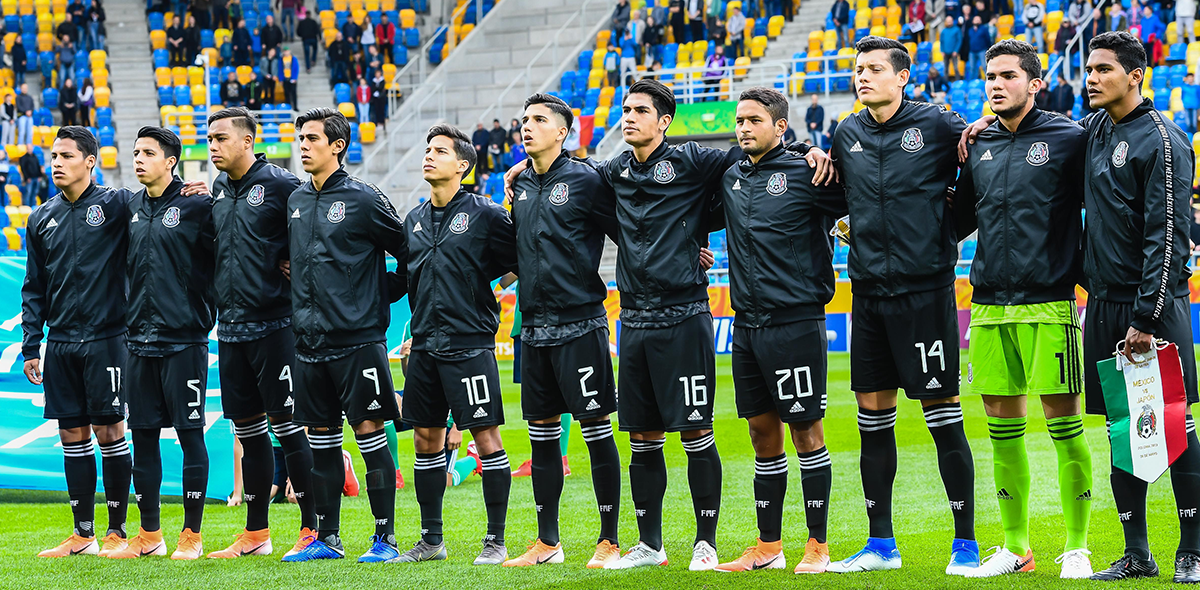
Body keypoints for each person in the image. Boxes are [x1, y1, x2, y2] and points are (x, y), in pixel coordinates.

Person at [825, 36, 979, 575]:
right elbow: (835, 194)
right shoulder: (846, 132)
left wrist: (944, 234)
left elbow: (982, 175)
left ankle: (965, 545)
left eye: (873, 68)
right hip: (867, 294)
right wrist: (810, 155)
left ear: (902, 77)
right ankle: (880, 544)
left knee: (943, 420)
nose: (862, 77)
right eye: (858, 69)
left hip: (925, 295)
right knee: (872, 422)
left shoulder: (937, 124)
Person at [952, 39, 1094, 580]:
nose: (996, 84)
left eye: (1007, 75)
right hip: (989, 306)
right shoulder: (980, 143)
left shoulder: (1069, 137)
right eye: (990, 76)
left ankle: (1077, 547)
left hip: (1050, 304)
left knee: (1066, 429)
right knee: (1002, 434)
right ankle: (1016, 548)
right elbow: (956, 221)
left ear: (1035, 83)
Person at [1075, 31, 1199, 584]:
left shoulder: (1164, 141)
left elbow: (1168, 237)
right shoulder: (1097, 129)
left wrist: (1146, 318)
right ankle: (1136, 554)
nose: (1092, 78)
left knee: (1174, 427)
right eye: (1088, 69)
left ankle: (1193, 551)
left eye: (1103, 69)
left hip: (1150, 309)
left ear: (1135, 75)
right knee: (1124, 431)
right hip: (1103, 303)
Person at [710, 87, 846, 574]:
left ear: (780, 126)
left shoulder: (809, 172)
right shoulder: (731, 174)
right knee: (761, 434)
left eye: (754, 120)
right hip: (746, 325)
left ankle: (818, 545)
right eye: (739, 121)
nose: (743, 128)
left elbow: (859, 202)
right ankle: (768, 546)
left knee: (806, 431)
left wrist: (815, 152)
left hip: (795, 322)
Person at [499, 94, 624, 569]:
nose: (527, 126)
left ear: (562, 132)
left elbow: (629, 231)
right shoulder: (518, 184)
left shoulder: (586, 179)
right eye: (524, 120)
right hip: (532, 328)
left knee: (596, 431)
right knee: (542, 437)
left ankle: (609, 540)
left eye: (538, 120)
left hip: (580, 324)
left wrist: (684, 250)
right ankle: (547, 542)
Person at [279, 108, 407, 563]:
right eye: (301, 138)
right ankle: (327, 538)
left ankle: (385, 539)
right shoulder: (295, 200)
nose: (303, 145)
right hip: (309, 344)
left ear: (338, 146)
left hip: (358, 342)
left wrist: (378, 294)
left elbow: (409, 251)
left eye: (312, 138)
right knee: (322, 441)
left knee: (370, 434)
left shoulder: (363, 198)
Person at [393, 124, 517, 565]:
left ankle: (496, 541)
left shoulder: (486, 214)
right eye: (427, 149)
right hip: (424, 345)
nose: (429, 155)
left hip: (469, 344)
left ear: (463, 165)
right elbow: (403, 278)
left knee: (486, 437)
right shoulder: (412, 220)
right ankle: (431, 541)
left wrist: (485, 291)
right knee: (425, 438)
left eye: (440, 151)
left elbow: (519, 261)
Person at [201, 107, 319, 560]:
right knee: (248, 433)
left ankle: (312, 530)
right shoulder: (216, 188)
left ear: (248, 141)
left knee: (288, 429)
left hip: (276, 328)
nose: (213, 146)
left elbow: (317, 225)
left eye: (221, 138)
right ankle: (256, 533)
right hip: (231, 330)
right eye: (210, 139)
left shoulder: (282, 185)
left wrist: (298, 264)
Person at [23, 127, 133, 559]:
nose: (56, 163)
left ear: (90, 161)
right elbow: (34, 287)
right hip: (61, 342)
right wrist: (32, 345)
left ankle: (117, 532)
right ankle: (83, 533)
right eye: (53, 156)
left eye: (66, 156)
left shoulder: (116, 204)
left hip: (108, 338)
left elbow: (158, 206)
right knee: (71, 434)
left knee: (110, 431)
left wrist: (185, 189)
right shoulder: (41, 217)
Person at [107, 126, 216, 560]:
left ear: (171, 161)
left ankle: (192, 535)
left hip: (184, 340)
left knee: (190, 436)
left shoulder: (197, 205)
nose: (138, 159)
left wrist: (215, 193)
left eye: (148, 153)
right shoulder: (130, 206)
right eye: (136, 152)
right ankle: (149, 535)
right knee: (144, 438)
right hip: (137, 342)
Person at [967, 15, 992, 80]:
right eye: (976, 20)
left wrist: (988, 48)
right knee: (972, 68)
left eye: (978, 20)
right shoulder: (970, 30)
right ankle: (972, 82)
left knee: (984, 66)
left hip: (982, 50)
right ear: (973, 21)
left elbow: (988, 39)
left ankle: (989, 79)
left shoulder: (984, 29)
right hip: (972, 51)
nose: (977, 21)